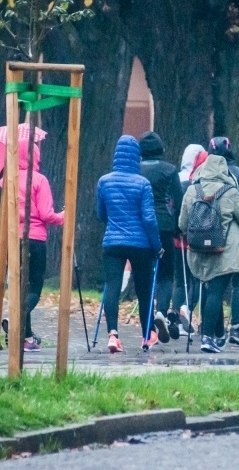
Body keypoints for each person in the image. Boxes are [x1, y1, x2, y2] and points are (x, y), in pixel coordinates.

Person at [179, 154, 239, 353]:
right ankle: (208, 337)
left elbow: (182, 224)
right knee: (216, 292)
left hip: (198, 251)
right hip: (224, 252)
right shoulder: (230, 192)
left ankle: (218, 335)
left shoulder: (192, 190)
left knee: (209, 290)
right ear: (224, 171)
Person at [97, 135, 163, 353]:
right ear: (137, 157)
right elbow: (149, 219)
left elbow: (100, 214)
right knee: (144, 290)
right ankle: (147, 335)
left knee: (112, 286)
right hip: (141, 244)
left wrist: (116, 226)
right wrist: (157, 246)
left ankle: (113, 335)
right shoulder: (143, 183)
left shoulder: (104, 181)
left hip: (112, 242)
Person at [2, 140, 64, 352]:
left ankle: (26, 338)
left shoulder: (5, 180)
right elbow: (46, 214)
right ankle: (15, 320)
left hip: (12, 239)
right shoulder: (39, 180)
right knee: (34, 288)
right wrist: (63, 216)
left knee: (19, 287)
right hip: (35, 238)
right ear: (34, 156)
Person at [207, 137, 239, 344]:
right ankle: (236, 327)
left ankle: (209, 326)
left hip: (207, 234)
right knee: (238, 281)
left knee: (210, 282)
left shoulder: (205, 174)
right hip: (237, 237)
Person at [138, 131, 183, 342]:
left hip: (141, 227)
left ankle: (148, 319)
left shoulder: (135, 170)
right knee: (166, 274)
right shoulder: (169, 170)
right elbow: (178, 199)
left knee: (145, 274)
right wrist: (177, 226)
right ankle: (161, 311)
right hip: (164, 225)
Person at [172, 144, 205, 336]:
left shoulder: (176, 179)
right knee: (196, 280)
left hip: (177, 239)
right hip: (196, 239)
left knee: (179, 280)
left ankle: (175, 317)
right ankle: (187, 309)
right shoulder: (197, 183)